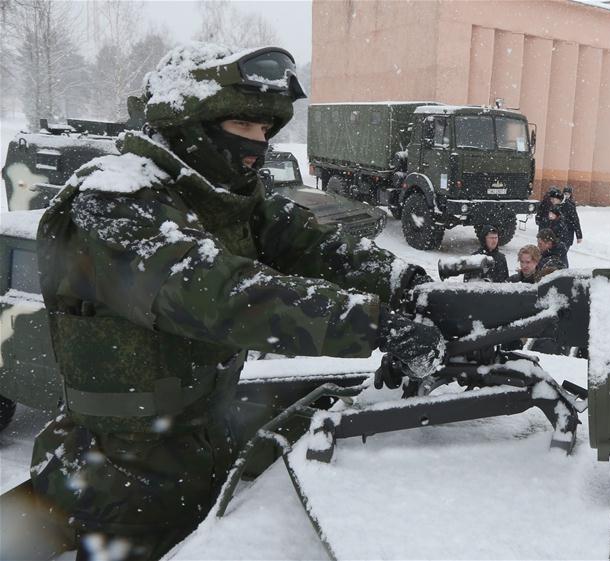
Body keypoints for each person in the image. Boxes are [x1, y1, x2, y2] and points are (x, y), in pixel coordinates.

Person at [29, 43, 443, 560]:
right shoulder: (112, 202)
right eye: (243, 125)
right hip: (121, 479)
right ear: (188, 125)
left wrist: (407, 285)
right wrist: (369, 323)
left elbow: (310, 245)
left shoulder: (220, 198)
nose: (258, 143)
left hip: (199, 448)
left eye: (266, 129)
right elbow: (218, 292)